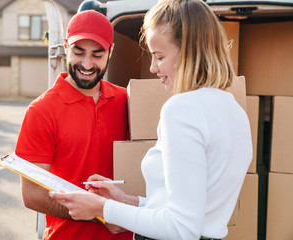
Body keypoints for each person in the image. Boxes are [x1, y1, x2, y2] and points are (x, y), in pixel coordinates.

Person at [49, 0, 253, 240]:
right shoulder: (234, 110)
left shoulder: (181, 109)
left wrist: (101, 208)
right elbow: (190, 209)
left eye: (159, 56)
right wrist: (127, 201)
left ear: (188, 52)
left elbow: (181, 228)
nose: (154, 68)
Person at [15, 10, 132, 240]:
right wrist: (99, 214)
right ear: (66, 46)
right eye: (79, 53)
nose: (87, 64)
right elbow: (31, 195)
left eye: (97, 55)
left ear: (111, 51)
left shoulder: (125, 101)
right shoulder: (41, 110)